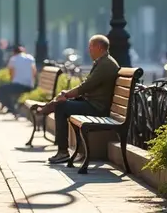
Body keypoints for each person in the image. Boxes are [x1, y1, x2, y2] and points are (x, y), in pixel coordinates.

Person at [43, 35, 120, 164]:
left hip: (98, 108)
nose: (89, 50)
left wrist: (67, 94)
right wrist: (67, 95)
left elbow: (86, 86)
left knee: (61, 107)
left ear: (99, 47)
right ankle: (49, 107)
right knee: (61, 103)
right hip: (93, 103)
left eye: (91, 47)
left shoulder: (106, 64)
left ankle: (63, 152)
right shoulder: (103, 62)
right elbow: (88, 85)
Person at [0, 46, 37, 116]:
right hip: (29, 86)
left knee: (0, 90)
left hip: (18, 86)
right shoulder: (30, 58)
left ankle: (13, 109)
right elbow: (34, 72)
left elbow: (11, 75)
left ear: (14, 53)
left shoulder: (13, 59)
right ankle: (14, 108)